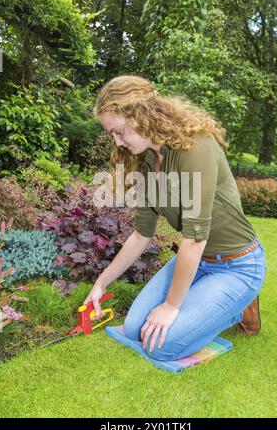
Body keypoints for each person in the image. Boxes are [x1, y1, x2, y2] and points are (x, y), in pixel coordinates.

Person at [84, 75, 267, 362]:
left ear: (141, 116)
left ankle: (237, 306)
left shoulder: (195, 148)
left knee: (163, 346)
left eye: (119, 131)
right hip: (199, 262)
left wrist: (171, 306)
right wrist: (101, 283)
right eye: (112, 135)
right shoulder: (145, 162)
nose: (117, 142)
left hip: (237, 264)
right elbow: (141, 235)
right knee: (134, 330)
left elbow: (195, 239)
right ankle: (206, 297)